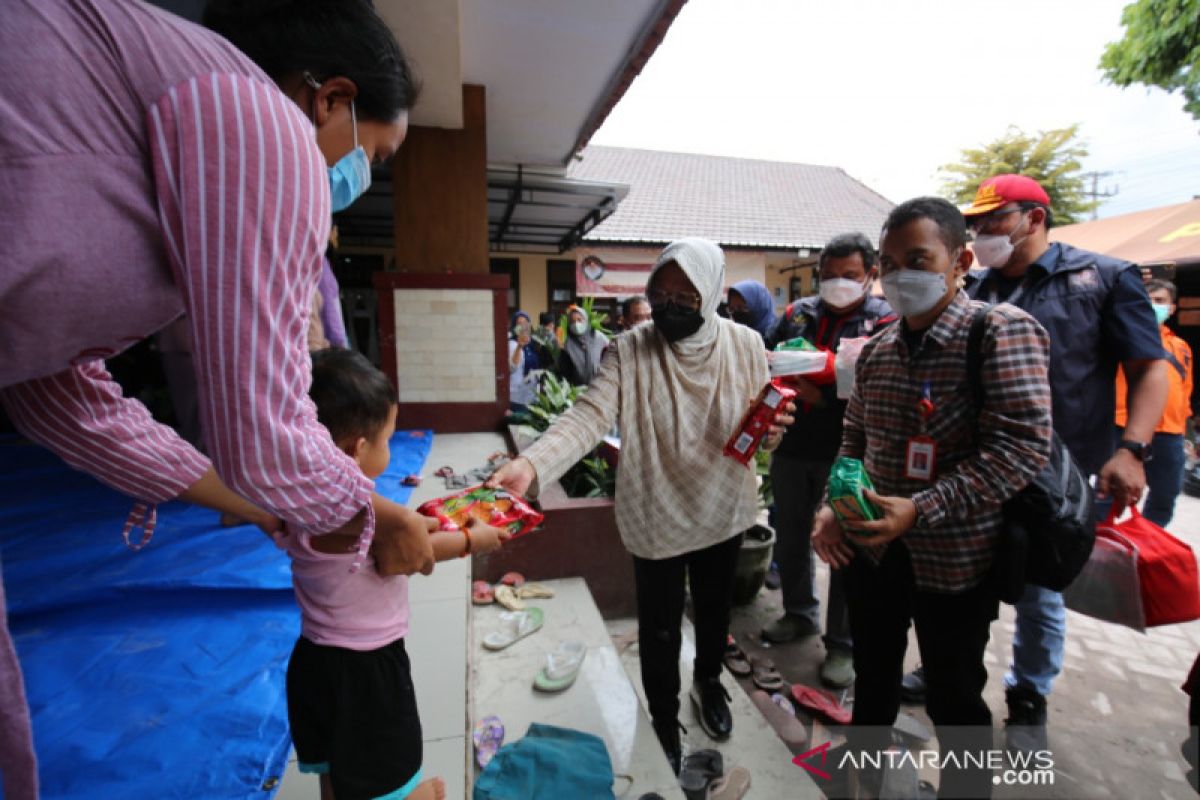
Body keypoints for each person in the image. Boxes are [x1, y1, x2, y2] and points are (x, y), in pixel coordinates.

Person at [0, 2, 429, 793]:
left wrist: (265, 501)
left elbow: (56, 394)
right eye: (374, 152)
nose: (357, 176)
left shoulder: (187, 153)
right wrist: (376, 513)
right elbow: (265, 430)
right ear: (330, 99)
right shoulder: (264, 122)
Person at [486, 239, 794, 773]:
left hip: (722, 504)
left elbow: (759, 429)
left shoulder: (745, 345)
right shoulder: (629, 349)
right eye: (661, 293)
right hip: (657, 509)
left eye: (686, 294)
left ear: (712, 293)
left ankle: (709, 685)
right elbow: (588, 415)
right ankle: (663, 715)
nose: (670, 305)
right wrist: (532, 466)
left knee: (716, 609)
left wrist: (772, 434)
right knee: (659, 626)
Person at [812, 197, 1053, 798]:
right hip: (873, 552)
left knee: (955, 697)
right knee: (873, 682)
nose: (899, 276)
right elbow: (854, 438)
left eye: (917, 259)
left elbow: (1022, 449)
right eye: (888, 264)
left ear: (960, 260)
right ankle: (866, 780)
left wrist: (922, 508)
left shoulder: (998, 332)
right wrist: (833, 504)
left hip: (958, 561)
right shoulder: (879, 349)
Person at [955, 174, 1168, 750]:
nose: (981, 232)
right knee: (964, 576)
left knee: (1040, 590)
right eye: (975, 222)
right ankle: (953, 672)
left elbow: (1150, 367)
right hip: (977, 463)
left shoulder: (1101, 277)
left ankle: (1029, 693)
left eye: (993, 219)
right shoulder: (974, 284)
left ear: (1035, 217)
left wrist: (1131, 450)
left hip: (1060, 474)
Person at [284, 349, 509, 800]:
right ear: (357, 449)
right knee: (382, 772)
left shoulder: (295, 500)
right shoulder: (360, 514)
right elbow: (407, 554)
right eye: (388, 438)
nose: (391, 448)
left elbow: (397, 534)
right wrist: (472, 539)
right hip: (367, 673)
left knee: (337, 767)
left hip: (313, 662)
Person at [761, 233, 897, 692]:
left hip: (851, 453)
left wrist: (822, 389)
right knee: (793, 535)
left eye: (849, 275)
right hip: (794, 445)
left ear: (870, 275)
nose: (837, 283)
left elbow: (875, 383)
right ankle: (799, 613)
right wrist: (810, 382)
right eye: (829, 274)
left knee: (845, 543)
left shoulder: (884, 321)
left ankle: (842, 642)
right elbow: (771, 361)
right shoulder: (798, 313)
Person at [1115, 279, 1193, 527]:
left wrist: (1183, 425)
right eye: (1148, 299)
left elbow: (1186, 387)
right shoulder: (1119, 338)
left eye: (1160, 301)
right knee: (1111, 491)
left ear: (1172, 309)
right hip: (1123, 426)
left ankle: (1147, 543)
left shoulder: (1180, 347)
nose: (1153, 306)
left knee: (1166, 494)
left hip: (1169, 432)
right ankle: (1099, 547)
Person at [557, 304, 609, 386]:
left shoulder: (599, 338)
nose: (576, 324)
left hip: (599, 388)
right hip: (578, 391)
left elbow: (609, 360)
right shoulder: (567, 345)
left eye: (579, 320)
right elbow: (565, 372)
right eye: (572, 321)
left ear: (586, 321)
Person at [508, 311, 540, 413]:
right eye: (519, 323)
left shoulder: (535, 344)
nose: (523, 326)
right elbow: (512, 368)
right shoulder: (511, 344)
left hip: (533, 397)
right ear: (514, 327)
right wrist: (519, 346)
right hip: (517, 398)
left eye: (525, 322)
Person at [726, 280, 777, 345]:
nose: (736, 314)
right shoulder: (733, 340)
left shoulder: (779, 338)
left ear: (760, 306)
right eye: (732, 309)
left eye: (741, 308)